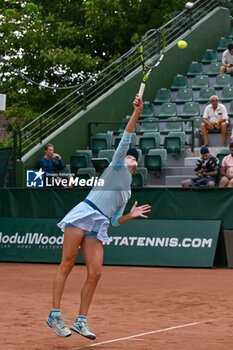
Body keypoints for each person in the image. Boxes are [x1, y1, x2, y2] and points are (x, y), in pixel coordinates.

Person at [46, 95, 151, 339]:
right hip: (84, 214)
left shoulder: (126, 191)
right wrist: (137, 112)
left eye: (136, 157)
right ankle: (54, 314)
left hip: (99, 224)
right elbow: (127, 136)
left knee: (96, 273)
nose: (132, 157)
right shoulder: (116, 165)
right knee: (68, 264)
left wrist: (131, 216)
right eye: (130, 155)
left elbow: (114, 221)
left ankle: (81, 320)